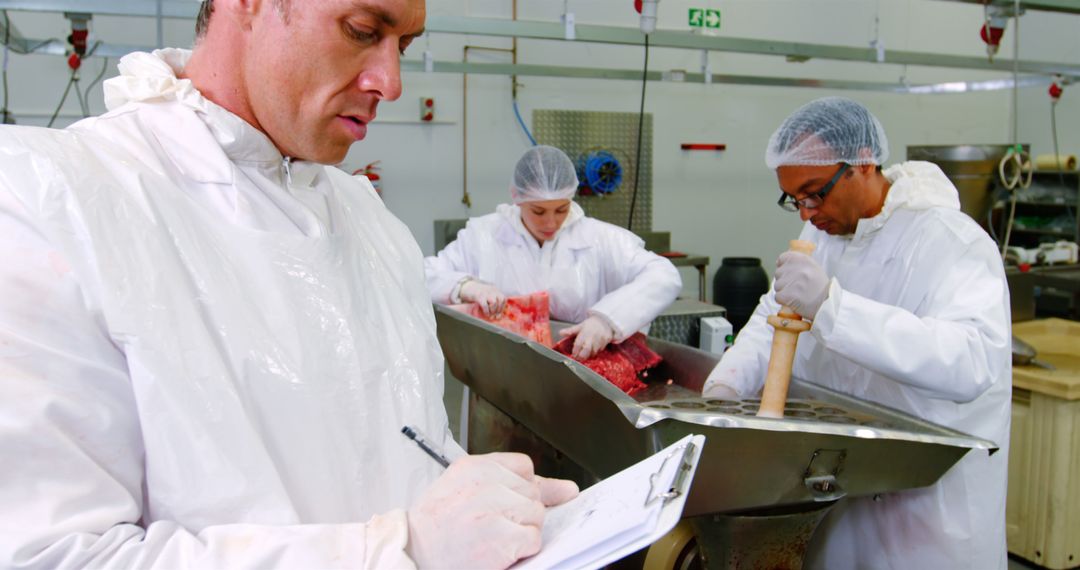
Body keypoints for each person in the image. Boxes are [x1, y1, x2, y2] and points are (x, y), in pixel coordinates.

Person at [0, 1, 579, 568]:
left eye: (403, 45)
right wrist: (399, 551)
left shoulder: (368, 220)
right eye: (360, 29)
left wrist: (476, 501)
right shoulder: (50, 200)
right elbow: (53, 554)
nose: (391, 83)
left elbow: (401, 445)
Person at [702, 97, 1011, 569]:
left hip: (924, 513)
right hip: (840, 490)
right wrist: (727, 386)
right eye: (794, 200)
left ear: (863, 162)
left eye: (814, 194)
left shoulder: (952, 242)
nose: (806, 213)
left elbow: (970, 362)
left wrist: (832, 307)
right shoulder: (825, 239)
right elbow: (773, 321)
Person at [425, 145, 682, 359]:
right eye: (538, 211)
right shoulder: (483, 236)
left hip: (578, 374)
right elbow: (420, 275)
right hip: (501, 372)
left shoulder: (598, 238)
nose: (551, 223)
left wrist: (607, 319)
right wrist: (465, 286)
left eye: (561, 210)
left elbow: (663, 276)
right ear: (517, 198)